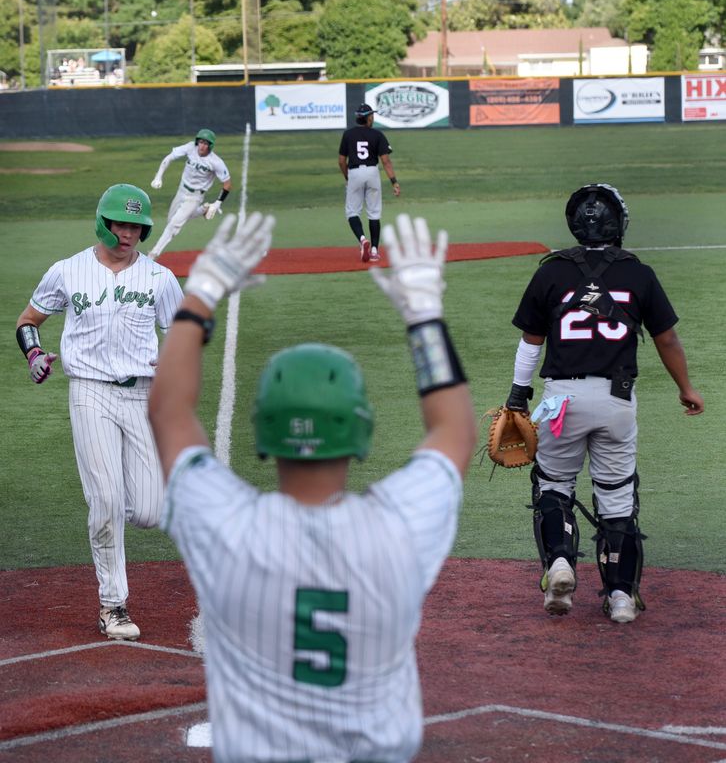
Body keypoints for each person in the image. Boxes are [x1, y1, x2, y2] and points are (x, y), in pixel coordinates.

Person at [149, 212, 476, 761]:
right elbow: (455, 430)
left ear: (264, 431)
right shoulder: (398, 528)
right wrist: (423, 311)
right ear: (361, 429)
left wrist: (201, 294)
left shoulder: (226, 527)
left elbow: (167, 410)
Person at [504, 183, 704, 624]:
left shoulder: (550, 273)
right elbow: (666, 338)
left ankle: (559, 563)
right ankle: (620, 597)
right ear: (620, 224)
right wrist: (685, 388)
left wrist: (518, 396)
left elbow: (530, 344)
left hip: (562, 402)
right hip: (617, 402)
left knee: (553, 486)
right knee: (617, 498)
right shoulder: (639, 274)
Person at [15, 183, 184, 641]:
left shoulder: (158, 278)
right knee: (106, 502)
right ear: (102, 222)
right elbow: (27, 321)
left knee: (149, 511)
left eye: (136, 226)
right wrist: (34, 356)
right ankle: (114, 605)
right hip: (89, 391)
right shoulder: (68, 272)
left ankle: (110, 510)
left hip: (142, 395)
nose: (128, 233)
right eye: (120, 223)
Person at [148, 128, 232, 261]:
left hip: (195, 196)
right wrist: (158, 177)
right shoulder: (190, 147)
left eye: (206, 143)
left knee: (174, 225)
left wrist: (217, 203)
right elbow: (170, 157)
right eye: (200, 142)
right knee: (171, 220)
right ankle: (204, 209)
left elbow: (227, 183)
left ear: (210, 146)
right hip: (181, 190)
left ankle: (153, 254)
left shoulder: (216, 162)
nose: (202, 146)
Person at [338, 103, 400, 263]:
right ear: (368, 118)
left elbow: (341, 161)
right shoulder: (377, 135)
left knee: (352, 212)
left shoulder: (348, 135)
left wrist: (348, 177)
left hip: (355, 172)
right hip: (372, 172)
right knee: (374, 213)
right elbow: (386, 161)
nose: (373, 117)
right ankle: (374, 251)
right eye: (371, 115)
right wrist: (394, 182)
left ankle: (362, 239)